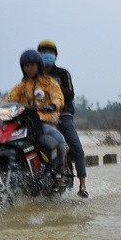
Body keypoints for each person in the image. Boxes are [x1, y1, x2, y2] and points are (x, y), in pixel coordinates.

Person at [6, 49, 68, 184]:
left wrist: (52, 105)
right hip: (24, 122)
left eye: (32, 65)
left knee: (59, 139)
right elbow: (8, 100)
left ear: (39, 65)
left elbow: (58, 97)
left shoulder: (49, 83)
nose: (29, 68)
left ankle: (60, 172)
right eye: (26, 66)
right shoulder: (21, 87)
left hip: (44, 122)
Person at [38, 39, 88, 198]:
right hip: (42, 116)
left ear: (55, 56)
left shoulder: (62, 73)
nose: (47, 55)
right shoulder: (34, 76)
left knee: (77, 148)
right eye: (43, 52)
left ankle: (82, 186)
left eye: (50, 52)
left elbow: (70, 95)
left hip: (63, 115)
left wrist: (53, 85)